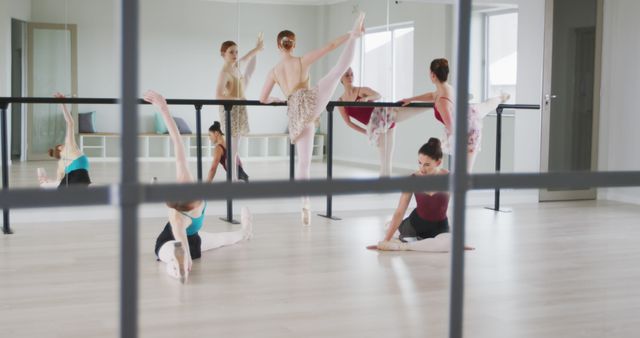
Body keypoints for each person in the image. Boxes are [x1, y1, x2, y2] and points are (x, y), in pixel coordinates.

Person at [259, 12, 365, 225]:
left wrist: (276, 99)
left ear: (278, 46)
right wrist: (348, 35)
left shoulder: (274, 71)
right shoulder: (301, 60)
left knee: (304, 163)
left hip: (295, 113)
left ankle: (304, 202)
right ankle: (355, 33)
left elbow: (262, 98)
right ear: (293, 45)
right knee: (337, 71)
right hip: (310, 102)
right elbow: (330, 46)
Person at [144, 90, 252, 283]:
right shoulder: (178, 218)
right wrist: (184, 257)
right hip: (170, 242)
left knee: (221, 239)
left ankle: (245, 232)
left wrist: (164, 109)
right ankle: (176, 268)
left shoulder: (186, 184)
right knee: (172, 256)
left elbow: (178, 143)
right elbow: (180, 241)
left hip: (194, 239)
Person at [400, 58, 510, 171]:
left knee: (465, 172)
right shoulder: (446, 88)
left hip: (467, 130)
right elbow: (432, 95)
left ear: (432, 75)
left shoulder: (442, 101)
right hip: (469, 114)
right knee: (486, 105)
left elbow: (452, 128)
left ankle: (501, 98)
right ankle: (501, 97)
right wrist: (411, 99)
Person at [366, 138, 473, 252]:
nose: (422, 169)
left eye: (427, 164)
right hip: (415, 226)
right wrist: (385, 241)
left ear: (438, 162)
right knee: (400, 229)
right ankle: (402, 240)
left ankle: (406, 244)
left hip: (441, 227)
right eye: (420, 163)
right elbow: (400, 211)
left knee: (449, 244)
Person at [215, 34, 264, 181]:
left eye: (236, 51)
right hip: (230, 110)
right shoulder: (224, 73)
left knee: (235, 149)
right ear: (223, 54)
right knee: (232, 150)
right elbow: (217, 95)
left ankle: (234, 178)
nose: (235, 54)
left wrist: (257, 48)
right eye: (231, 52)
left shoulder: (236, 66)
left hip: (239, 109)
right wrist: (235, 99)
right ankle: (232, 180)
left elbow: (248, 58)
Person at [37, 92, 91, 188]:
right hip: (79, 179)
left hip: (76, 180)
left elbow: (58, 182)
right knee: (50, 184)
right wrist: (62, 103)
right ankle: (43, 181)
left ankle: (43, 181)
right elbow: (70, 123)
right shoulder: (68, 147)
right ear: (60, 147)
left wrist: (49, 182)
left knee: (48, 185)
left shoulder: (61, 165)